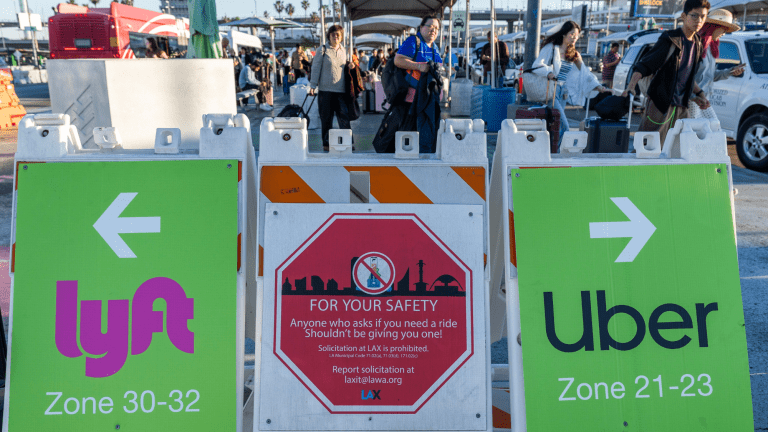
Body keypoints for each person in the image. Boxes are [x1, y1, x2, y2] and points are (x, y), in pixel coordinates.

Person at [623, 0, 711, 145]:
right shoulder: (670, 39)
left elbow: (688, 75)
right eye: (694, 16)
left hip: (682, 108)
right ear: (683, 16)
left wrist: (700, 94)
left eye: (703, 17)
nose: (699, 21)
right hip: (660, 105)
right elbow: (644, 66)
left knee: (678, 149)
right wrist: (631, 86)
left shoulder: (698, 43)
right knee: (647, 147)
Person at [532, 20, 610, 149]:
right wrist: (549, 72)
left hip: (563, 93)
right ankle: (557, 156)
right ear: (564, 34)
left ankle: (552, 153)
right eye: (572, 33)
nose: (575, 37)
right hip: (551, 90)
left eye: (577, 35)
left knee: (555, 126)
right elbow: (537, 65)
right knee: (564, 126)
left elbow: (585, 73)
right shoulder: (551, 48)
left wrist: (598, 86)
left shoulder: (574, 53)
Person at [394, 16, 444, 153]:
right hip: (410, 101)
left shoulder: (435, 47)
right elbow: (398, 60)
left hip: (428, 100)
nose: (433, 31)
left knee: (426, 135)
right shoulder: (413, 41)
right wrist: (419, 66)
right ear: (421, 27)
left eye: (437, 28)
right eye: (430, 26)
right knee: (408, 137)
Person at [309, 25, 355, 152]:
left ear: (341, 37)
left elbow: (344, 67)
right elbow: (316, 68)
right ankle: (326, 143)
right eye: (333, 34)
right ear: (329, 36)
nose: (336, 37)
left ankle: (348, 142)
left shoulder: (343, 50)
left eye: (338, 35)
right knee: (326, 119)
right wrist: (313, 86)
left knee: (344, 118)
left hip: (341, 91)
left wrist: (350, 65)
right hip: (325, 91)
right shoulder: (322, 50)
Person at [691, 8, 743, 119]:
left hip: (704, 100)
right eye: (723, 29)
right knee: (703, 131)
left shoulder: (710, 47)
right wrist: (693, 97)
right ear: (713, 27)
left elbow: (710, 75)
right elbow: (684, 76)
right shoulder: (694, 46)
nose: (724, 34)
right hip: (692, 100)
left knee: (712, 130)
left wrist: (731, 72)